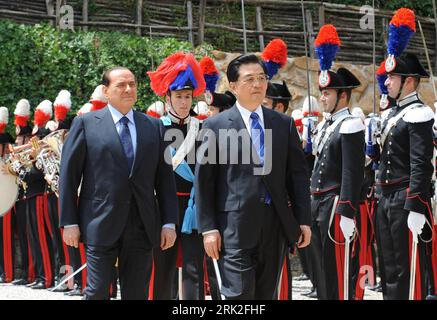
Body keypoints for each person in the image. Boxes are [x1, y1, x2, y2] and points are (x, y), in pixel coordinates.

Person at [195, 53, 311, 300]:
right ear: (234, 86)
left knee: (265, 294)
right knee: (238, 295)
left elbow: (297, 177)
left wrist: (303, 219)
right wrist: (208, 229)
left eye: (262, 78)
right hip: (233, 227)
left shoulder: (283, 124)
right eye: (250, 79)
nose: (257, 84)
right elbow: (204, 182)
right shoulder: (214, 126)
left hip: (275, 226)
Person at [59, 66, 179, 300]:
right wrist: (69, 222)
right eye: (121, 85)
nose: (128, 89)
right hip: (99, 221)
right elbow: (69, 176)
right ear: (106, 90)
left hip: (142, 225)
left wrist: (169, 223)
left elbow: (165, 179)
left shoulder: (153, 127)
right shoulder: (86, 124)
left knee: (137, 294)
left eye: (132, 84)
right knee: (97, 292)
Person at [147, 52, 208, 300]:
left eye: (187, 97)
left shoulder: (202, 128)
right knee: (162, 267)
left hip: (194, 206)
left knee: (194, 268)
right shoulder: (154, 128)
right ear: (167, 97)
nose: (184, 102)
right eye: (178, 96)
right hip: (163, 206)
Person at [311, 24, 365, 300]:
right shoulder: (326, 125)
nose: (322, 98)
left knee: (338, 269)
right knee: (320, 269)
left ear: (342, 96)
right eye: (322, 93)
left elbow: (352, 172)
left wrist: (347, 210)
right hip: (318, 203)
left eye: (327, 94)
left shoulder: (351, 124)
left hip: (334, 204)